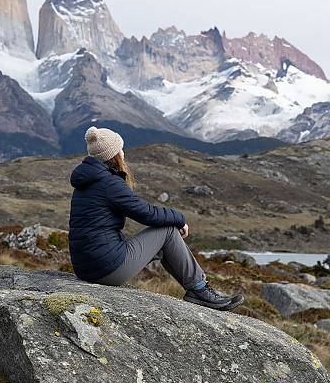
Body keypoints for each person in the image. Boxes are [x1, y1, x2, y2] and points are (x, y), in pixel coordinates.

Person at [68, 126, 244, 311]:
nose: (123, 152)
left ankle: (197, 289)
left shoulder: (86, 182)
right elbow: (147, 214)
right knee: (168, 231)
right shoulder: (109, 183)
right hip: (106, 268)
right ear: (113, 154)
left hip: (86, 267)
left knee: (166, 242)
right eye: (120, 148)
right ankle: (199, 290)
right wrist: (179, 219)